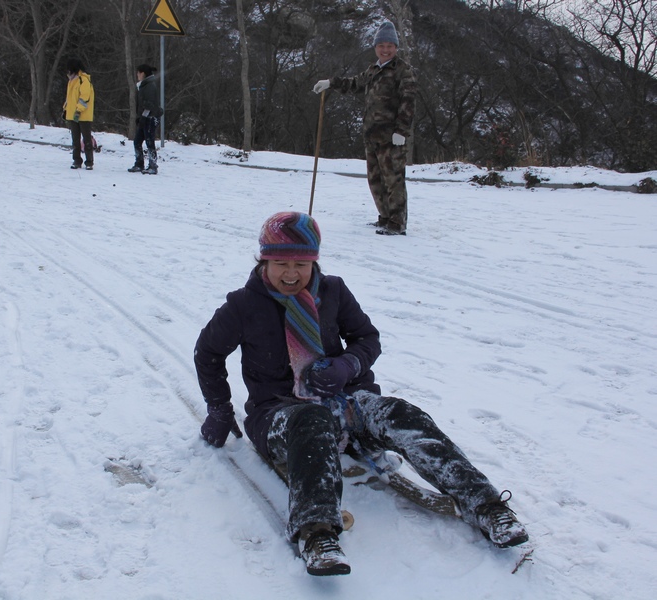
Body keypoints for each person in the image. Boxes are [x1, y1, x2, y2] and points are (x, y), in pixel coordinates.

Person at [194, 211, 528, 577]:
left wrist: (348, 366)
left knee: (398, 412)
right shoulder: (243, 305)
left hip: (346, 400)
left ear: (314, 261)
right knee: (311, 420)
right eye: (281, 263)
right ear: (264, 260)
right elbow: (208, 353)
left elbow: (367, 338)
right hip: (279, 412)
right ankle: (316, 533)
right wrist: (219, 409)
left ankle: (486, 504)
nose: (291, 273)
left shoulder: (333, 290)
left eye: (301, 263)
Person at [313, 21, 417, 236]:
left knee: (393, 180)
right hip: (372, 135)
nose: (385, 49)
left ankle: (397, 223)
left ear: (396, 48)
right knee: (376, 181)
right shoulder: (373, 69)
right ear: (375, 47)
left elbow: (408, 101)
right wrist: (331, 83)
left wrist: (401, 131)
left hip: (392, 136)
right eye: (382, 45)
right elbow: (354, 83)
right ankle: (385, 217)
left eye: (390, 46)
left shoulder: (403, 70)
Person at [128, 64, 163, 175]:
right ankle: (139, 164)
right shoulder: (144, 85)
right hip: (145, 117)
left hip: (150, 118)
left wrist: (143, 116)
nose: (137, 75)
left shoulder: (149, 86)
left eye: (138, 73)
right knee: (137, 141)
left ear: (142, 73)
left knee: (149, 141)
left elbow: (150, 104)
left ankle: (153, 165)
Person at [64, 58, 95, 170]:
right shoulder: (72, 81)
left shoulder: (84, 80)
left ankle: (89, 162)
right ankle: (77, 160)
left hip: (83, 115)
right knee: (75, 140)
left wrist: (78, 110)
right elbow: (69, 98)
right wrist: (65, 109)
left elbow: (84, 97)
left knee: (86, 140)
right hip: (72, 115)